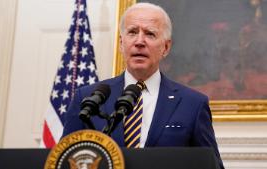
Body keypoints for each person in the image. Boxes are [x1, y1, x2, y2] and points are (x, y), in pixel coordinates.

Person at [62, 2, 224, 169]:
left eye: (150, 34)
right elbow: (64, 160)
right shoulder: (88, 98)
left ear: (166, 47)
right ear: (121, 43)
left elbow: (212, 165)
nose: (139, 41)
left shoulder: (193, 104)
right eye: (132, 32)